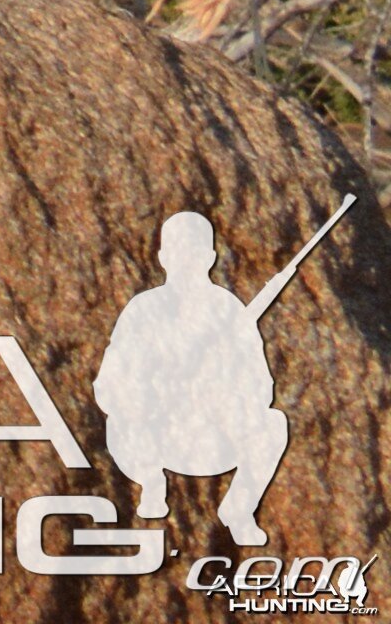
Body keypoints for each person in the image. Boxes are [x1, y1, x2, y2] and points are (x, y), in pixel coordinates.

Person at [95, 207, 296, 546]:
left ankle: (239, 508)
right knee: (119, 422)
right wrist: (148, 392)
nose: (186, 260)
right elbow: (107, 385)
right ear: (162, 257)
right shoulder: (143, 310)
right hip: (154, 437)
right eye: (177, 251)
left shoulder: (230, 311)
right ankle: (151, 484)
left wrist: (220, 382)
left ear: (210, 257)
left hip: (212, 437)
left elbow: (262, 387)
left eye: (194, 252)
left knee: (273, 424)